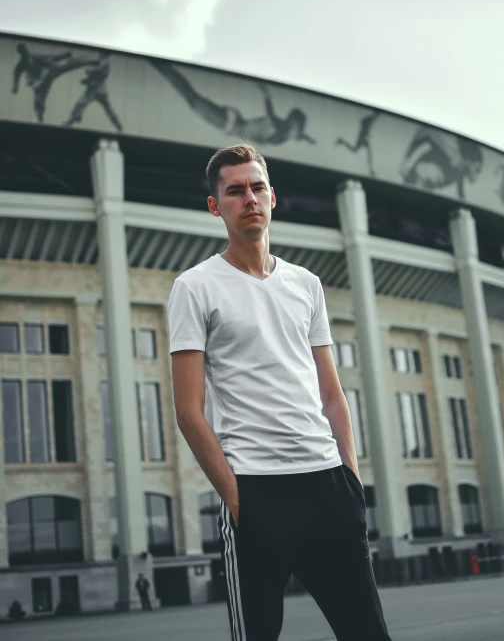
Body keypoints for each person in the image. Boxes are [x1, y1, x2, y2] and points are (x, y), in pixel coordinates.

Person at [168, 144, 392, 641]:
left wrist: (351, 480)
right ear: (215, 205)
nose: (249, 198)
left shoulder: (306, 285)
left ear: (273, 197)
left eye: (257, 187)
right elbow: (187, 411)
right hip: (256, 491)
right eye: (234, 190)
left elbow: (331, 395)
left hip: (329, 488)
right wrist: (236, 497)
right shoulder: (195, 287)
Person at [151, 60, 316, 145]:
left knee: (192, 98)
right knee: (193, 100)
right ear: (292, 124)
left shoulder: (284, 134)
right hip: (230, 123)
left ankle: (163, 68)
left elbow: (297, 135)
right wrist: (267, 96)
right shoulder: (280, 129)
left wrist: (307, 138)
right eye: (296, 129)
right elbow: (272, 117)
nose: (296, 134)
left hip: (233, 120)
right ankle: (162, 66)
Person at [64, 52, 122, 131]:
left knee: (108, 109)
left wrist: (90, 71)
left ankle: (118, 125)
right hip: (92, 88)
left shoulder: (105, 62)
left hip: (99, 89)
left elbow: (97, 72)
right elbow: (91, 71)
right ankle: (73, 119)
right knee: (80, 104)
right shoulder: (99, 61)